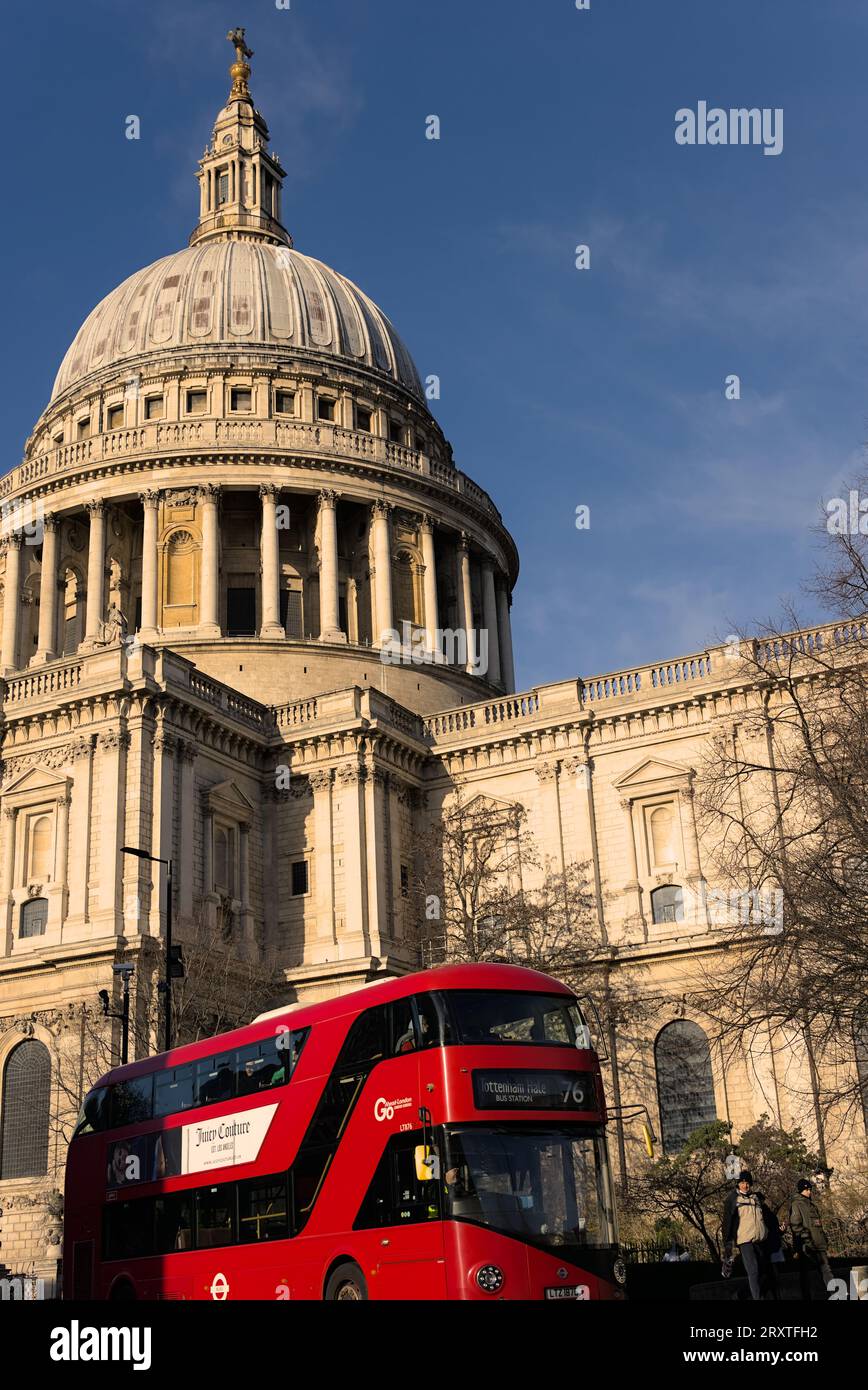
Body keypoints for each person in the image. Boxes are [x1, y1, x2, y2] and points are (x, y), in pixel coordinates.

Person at [723, 1170, 778, 1300]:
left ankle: (741, 1294)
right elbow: (727, 1222)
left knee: (762, 1273)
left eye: (747, 1183)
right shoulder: (733, 1199)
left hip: (760, 1239)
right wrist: (727, 1243)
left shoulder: (757, 1198)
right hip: (745, 1240)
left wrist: (778, 1229)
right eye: (742, 1182)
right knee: (753, 1271)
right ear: (738, 1184)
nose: (745, 1185)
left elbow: (767, 1218)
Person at [789, 1179, 834, 1300]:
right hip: (807, 1246)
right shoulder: (796, 1205)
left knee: (825, 1270)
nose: (809, 1192)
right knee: (806, 1274)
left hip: (818, 1244)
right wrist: (806, 1240)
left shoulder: (812, 1205)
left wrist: (823, 1240)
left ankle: (835, 1294)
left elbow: (818, 1226)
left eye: (809, 1189)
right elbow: (795, 1225)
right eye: (806, 1189)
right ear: (801, 1190)